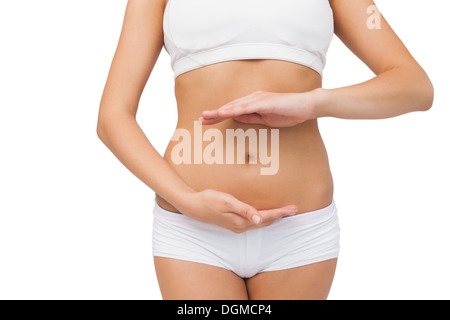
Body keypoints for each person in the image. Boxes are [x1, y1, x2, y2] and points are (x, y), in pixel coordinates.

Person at [97, 0, 433, 300]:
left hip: (299, 232)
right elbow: (113, 117)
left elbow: (414, 86)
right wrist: (187, 201)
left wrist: (314, 102)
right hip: (193, 230)